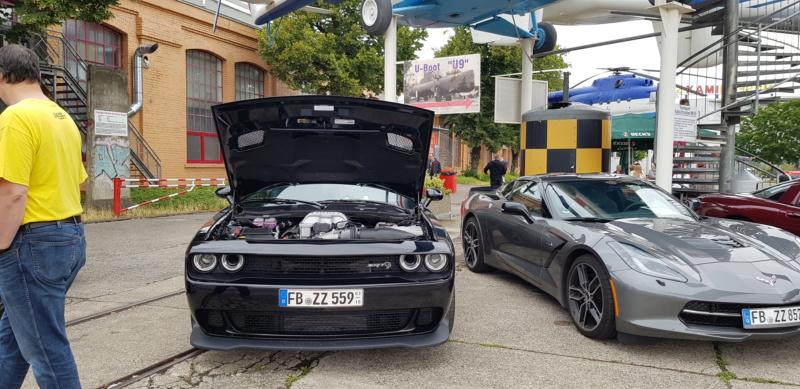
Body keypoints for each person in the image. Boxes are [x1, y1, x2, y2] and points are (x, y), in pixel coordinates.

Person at [0, 44, 87, 388]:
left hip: (31, 246)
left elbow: (13, 192)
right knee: (13, 338)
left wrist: (1, 246)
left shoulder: (16, 117)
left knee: (46, 350)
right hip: (69, 238)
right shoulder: (61, 117)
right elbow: (77, 184)